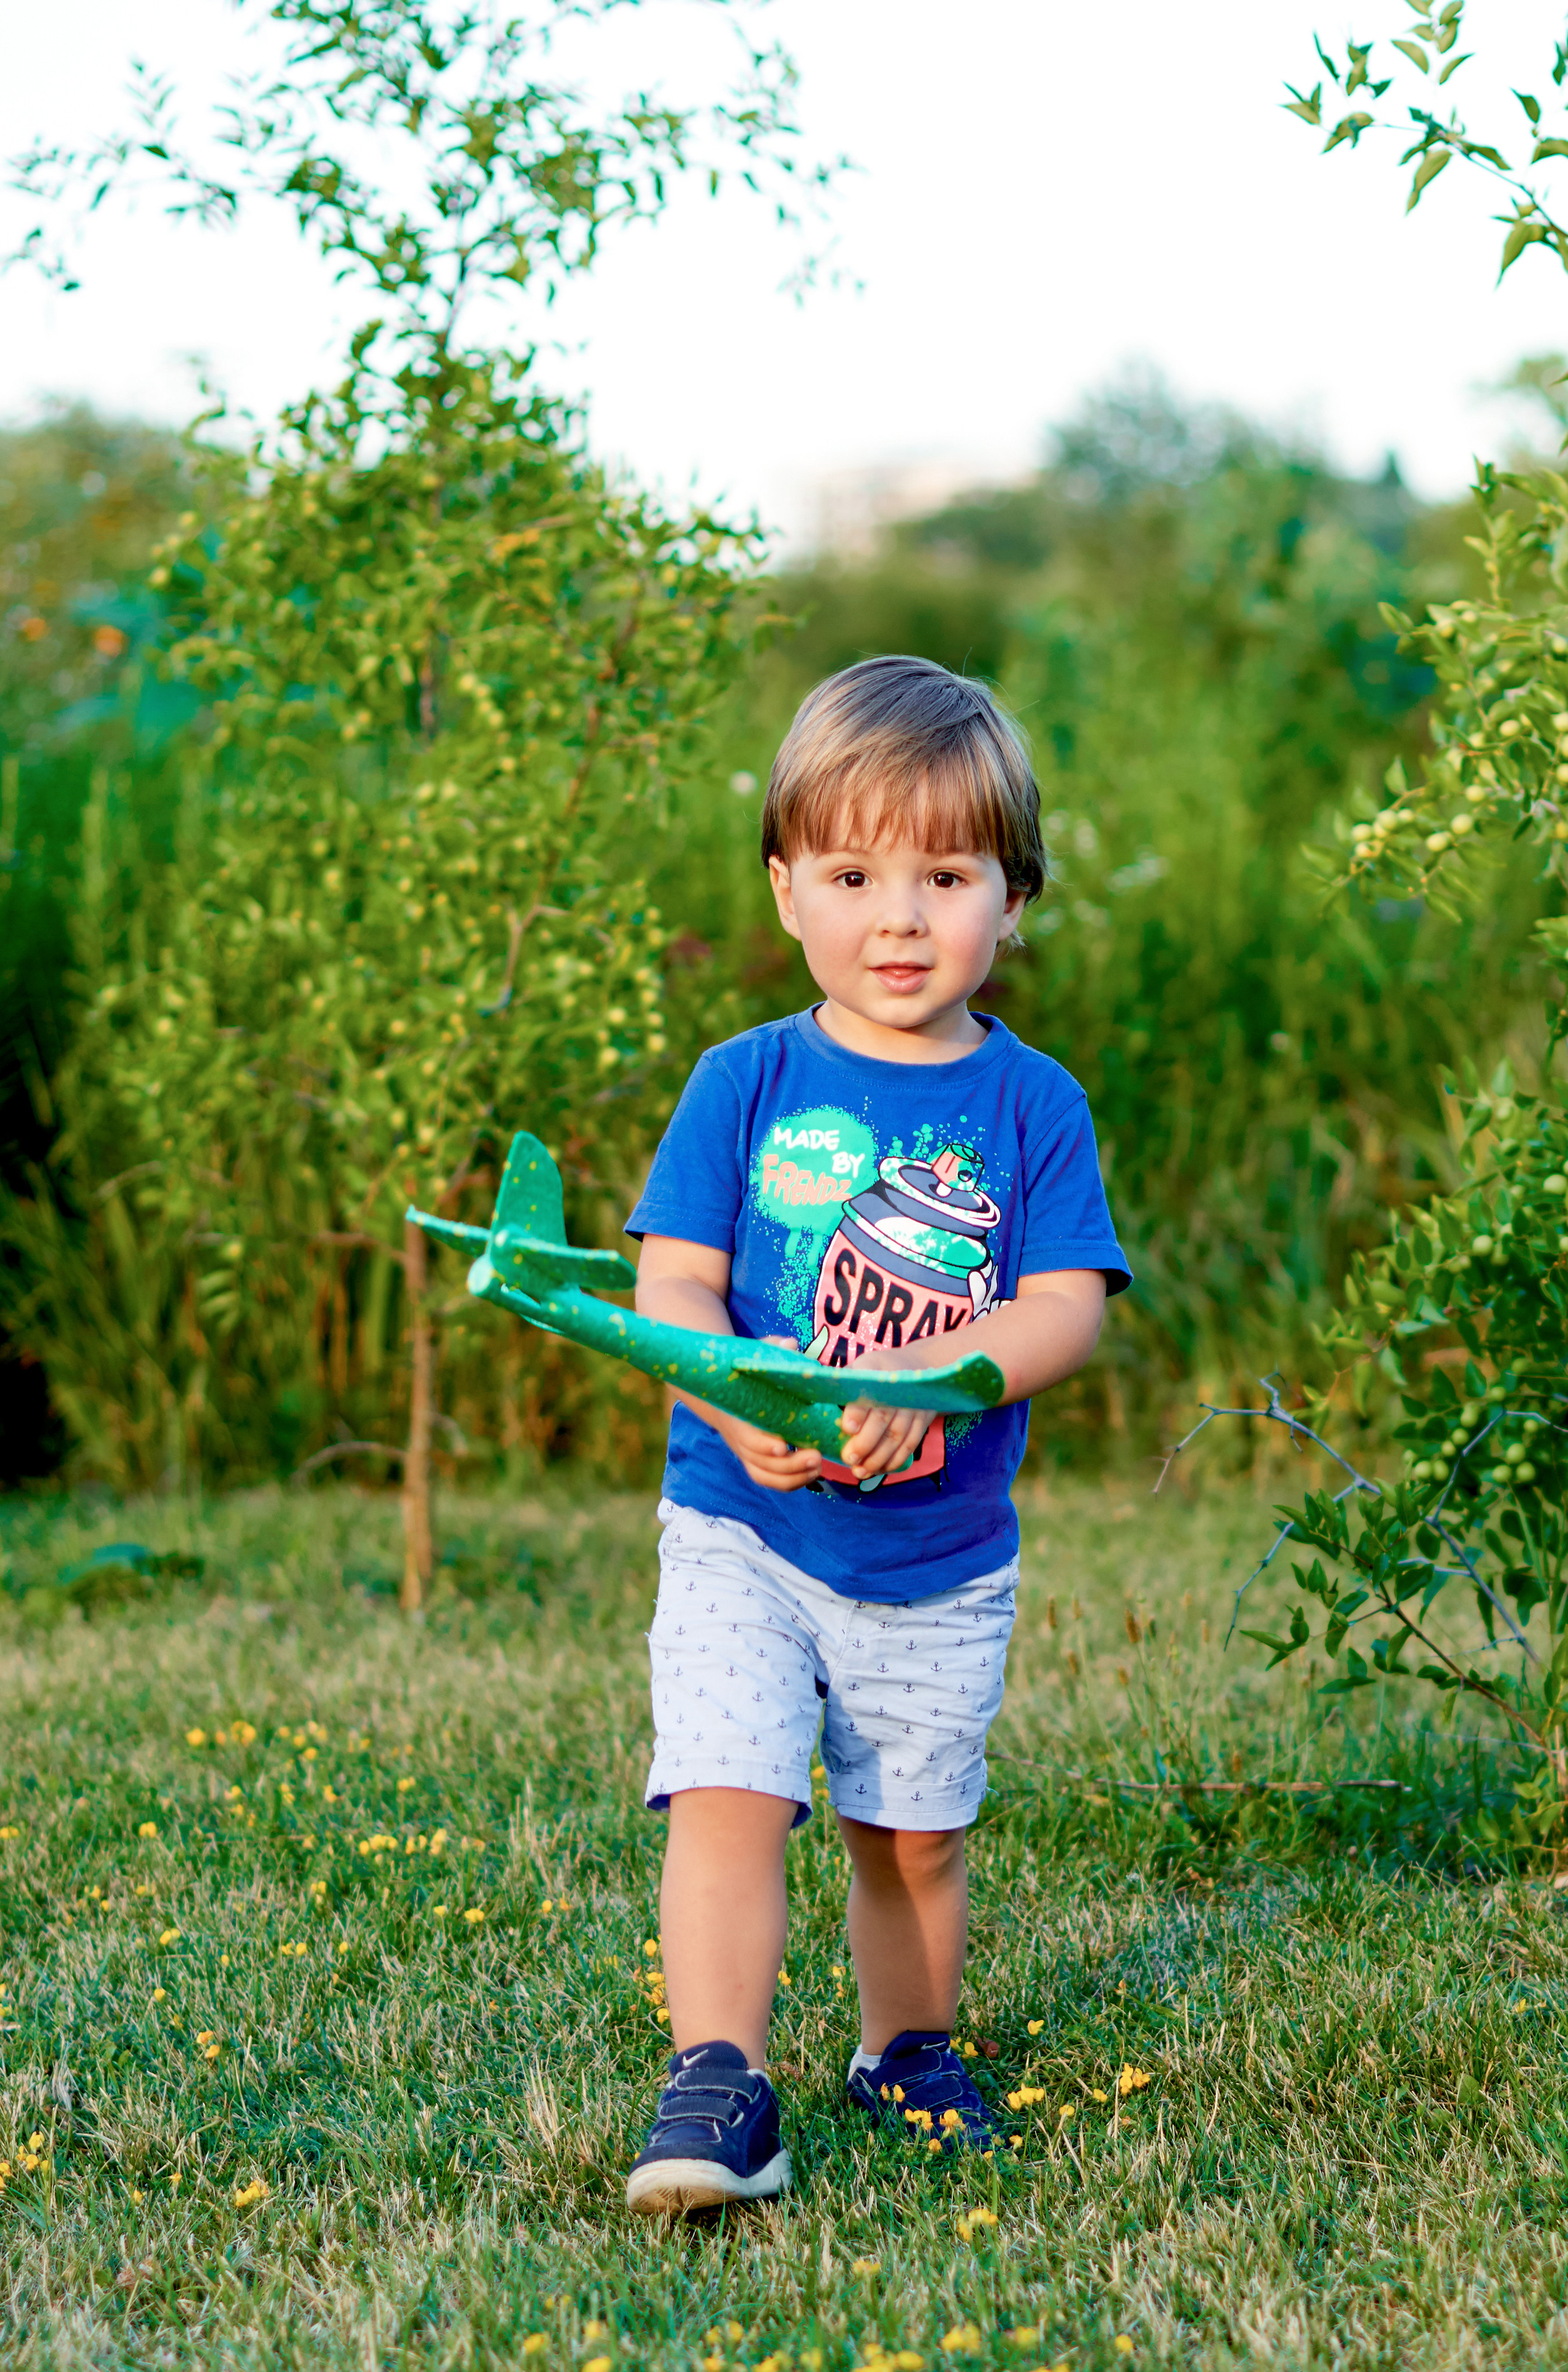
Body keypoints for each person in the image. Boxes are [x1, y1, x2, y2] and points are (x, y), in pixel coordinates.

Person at [621, 654, 1130, 2216]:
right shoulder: (745, 1080)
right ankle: (717, 2080)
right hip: (743, 1525)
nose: (898, 918)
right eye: (851, 873)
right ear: (786, 893)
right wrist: (736, 1404)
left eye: (945, 874)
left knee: (906, 1835)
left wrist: (938, 1387)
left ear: (1011, 897)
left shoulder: (1032, 1103)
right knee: (728, 1786)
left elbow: (1061, 1307)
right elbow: (672, 1287)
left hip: (936, 1552)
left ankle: (904, 2048)